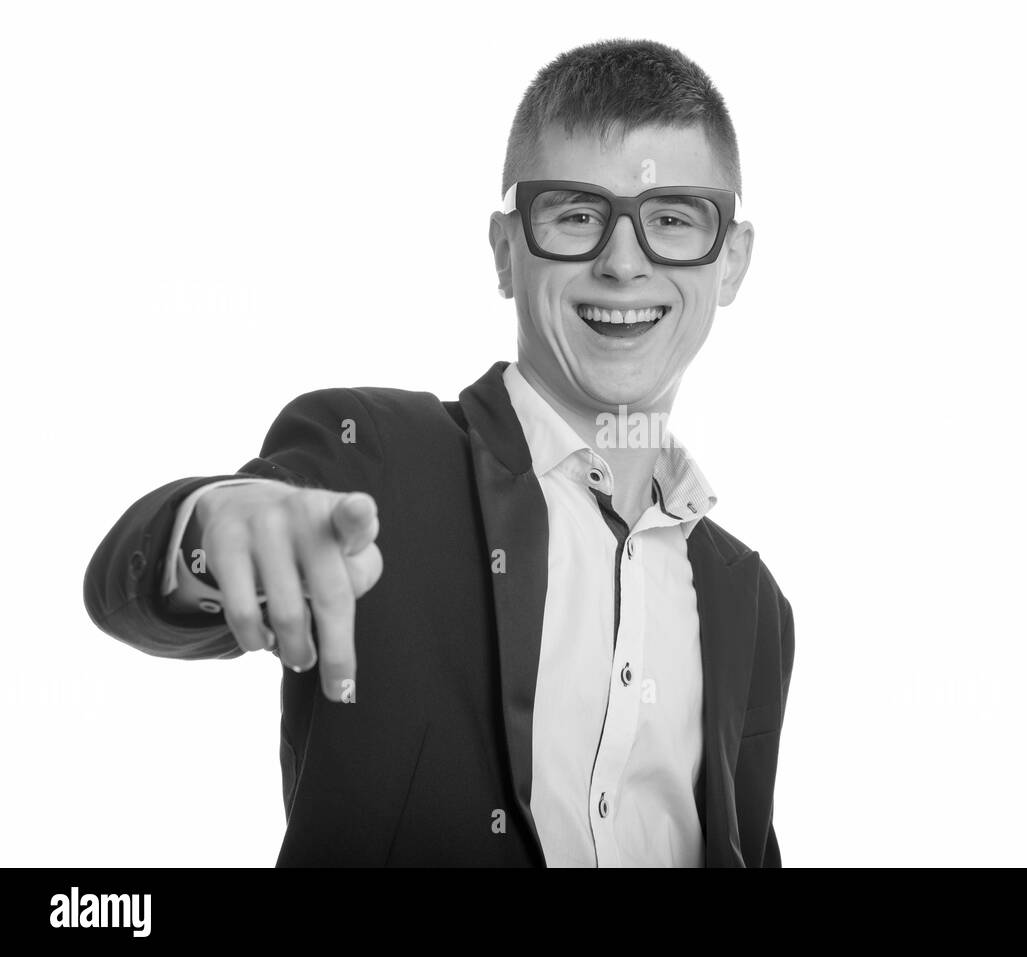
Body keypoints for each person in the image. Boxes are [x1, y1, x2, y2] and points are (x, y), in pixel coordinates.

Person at [83, 38, 794, 867]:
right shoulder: (377, 464)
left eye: (673, 219)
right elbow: (129, 588)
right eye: (574, 214)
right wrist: (208, 527)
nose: (623, 261)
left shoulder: (755, 604)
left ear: (732, 260)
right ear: (505, 250)